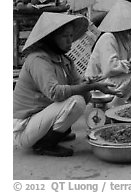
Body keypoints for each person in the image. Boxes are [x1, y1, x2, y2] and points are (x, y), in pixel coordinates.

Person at [13, 13, 119, 157]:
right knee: (76, 102)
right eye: (65, 36)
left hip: (40, 118)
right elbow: (55, 93)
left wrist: (90, 82)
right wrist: (90, 86)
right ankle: (44, 145)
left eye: (71, 36)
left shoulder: (64, 60)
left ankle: (54, 134)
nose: (70, 41)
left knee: (82, 97)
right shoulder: (38, 60)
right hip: (23, 127)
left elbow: (81, 88)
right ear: (51, 38)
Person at [86, 0, 131, 108]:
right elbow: (110, 68)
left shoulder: (127, 39)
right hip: (98, 84)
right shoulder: (108, 38)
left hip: (110, 81)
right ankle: (110, 107)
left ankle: (117, 105)